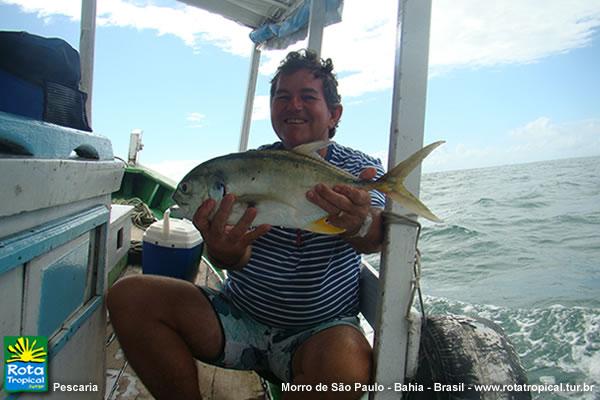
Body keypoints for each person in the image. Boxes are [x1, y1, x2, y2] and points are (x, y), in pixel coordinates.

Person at [107, 49, 387, 400]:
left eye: (307, 97)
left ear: (334, 114)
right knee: (130, 297)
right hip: (239, 318)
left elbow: (377, 235)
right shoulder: (252, 165)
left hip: (319, 332)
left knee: (345, 369)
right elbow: (229, 261)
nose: (293, 105)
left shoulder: (358, 168)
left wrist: (359, 223)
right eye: (282, 97)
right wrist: (224, 251)